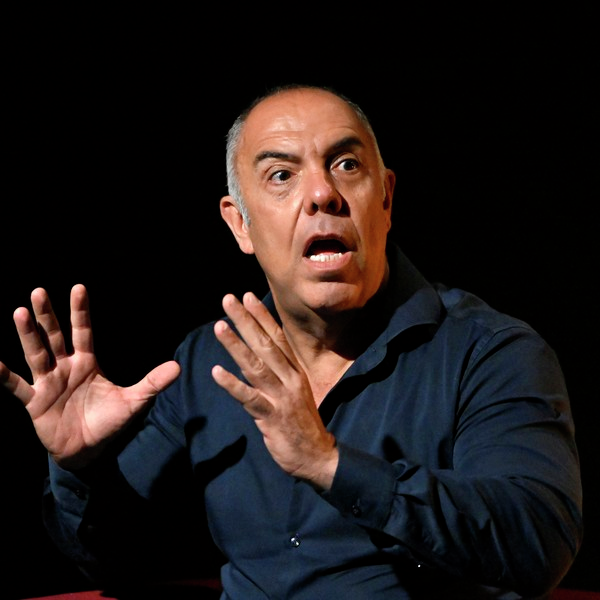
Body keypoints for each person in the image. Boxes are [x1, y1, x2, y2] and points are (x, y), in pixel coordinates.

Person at [0, 84, 583, 599]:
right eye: (281, 175)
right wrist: (79, 466)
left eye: (347, 165)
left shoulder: (490, 352)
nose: (322, 194)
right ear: (240, 224)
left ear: (385, 199)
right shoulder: (209, 361)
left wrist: (330, 463)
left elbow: (541, 543)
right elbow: (114, 559)